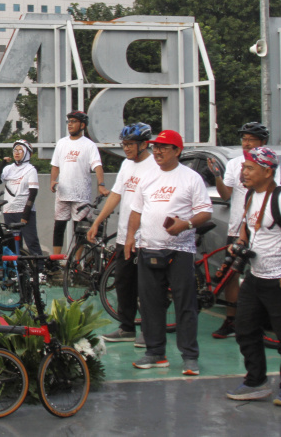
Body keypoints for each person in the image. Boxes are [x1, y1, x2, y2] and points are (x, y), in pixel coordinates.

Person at [226, 147, 281, 408]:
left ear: (268, 171)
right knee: (244, 328)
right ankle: (256, 381)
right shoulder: (252, 195)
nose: (244, 172)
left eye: (250, 168)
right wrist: (241, 240)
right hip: (256, 276)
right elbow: (249, 225)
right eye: (244, 168)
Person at [125, 130, 212, 376]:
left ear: (177, 151)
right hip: (148, 248)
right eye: (155, 147)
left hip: (179, 251)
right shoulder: (148, 177)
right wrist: (131, 238)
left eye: (164, 147)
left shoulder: (191, 178)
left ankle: (189, 356)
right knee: (151, 304)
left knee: (185, 304)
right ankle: (155, 352)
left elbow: (205, 212)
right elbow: (136, 211)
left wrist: (186, 224)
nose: (158, 152)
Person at [206, 122, 279, 339]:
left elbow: (269, 193)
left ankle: (265, 320)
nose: (246, 144)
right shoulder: (235, 163)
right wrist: (217, 176)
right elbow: (226, 195)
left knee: (263, 274)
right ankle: (231, 320)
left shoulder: (270, 163)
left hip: (260, 230)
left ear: (262, 143)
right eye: (244, 139)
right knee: (230, 275)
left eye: (251, 140)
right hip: (237, 229)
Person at [86, 123, 156, 345]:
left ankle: (149, 330)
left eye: (130, 145)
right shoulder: (126, 165)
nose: (125, 149)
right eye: (123, 144)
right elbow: (116, 195)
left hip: (147, 237)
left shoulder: (156, 166)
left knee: (146, 287)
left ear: (144, 144)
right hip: (125, 235)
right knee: (124, 283)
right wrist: (97, 221)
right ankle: (127, 327)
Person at [49, 111, 108, 257]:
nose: (70, 124)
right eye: (69, 121)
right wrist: (52, 181)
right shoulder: (62, 143)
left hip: (81, 195)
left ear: (82, 125)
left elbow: (97, 166)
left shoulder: (89, 145)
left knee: (79, 230)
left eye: (74, 121)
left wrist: (101, 184)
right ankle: (56, 261)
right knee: (59, 227)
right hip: (62, 192)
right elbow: (55, 165)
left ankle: (76, 263)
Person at [0, 140, 42, 256]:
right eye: (15, 150)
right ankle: (18, 271)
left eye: (20, 150)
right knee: (13, 245)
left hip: (24, 211)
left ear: (27, 153)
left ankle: (40, 270)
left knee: (31, 242)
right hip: (9, 211)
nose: (17, 153)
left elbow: (33, 193)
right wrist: (3, 163)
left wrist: (26, 214)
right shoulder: (9, 169)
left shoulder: (30, 170)